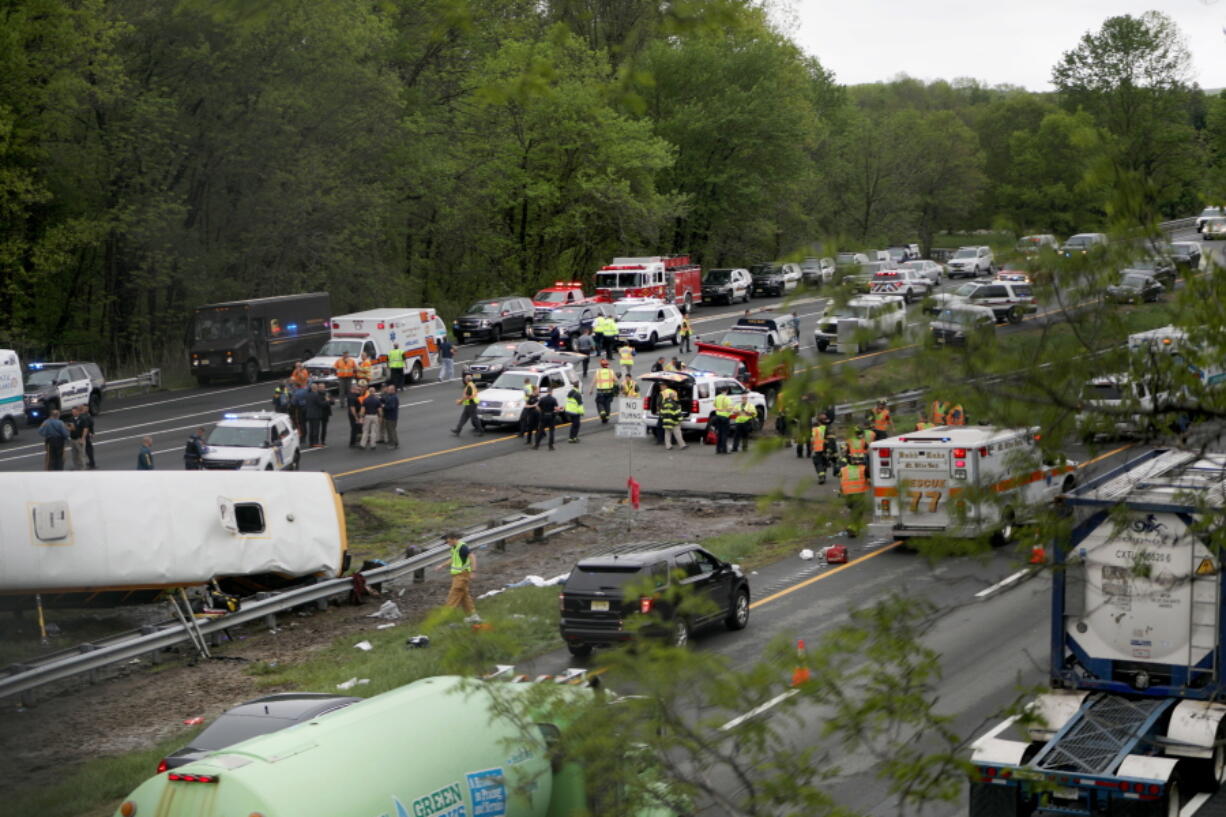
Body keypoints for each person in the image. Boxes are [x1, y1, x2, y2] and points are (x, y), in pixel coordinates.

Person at [435, 531, 479, 622]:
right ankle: (473, 615)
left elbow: (473, 557)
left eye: (447, 540)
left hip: (462, 575)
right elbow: (453, 558)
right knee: (464, 596)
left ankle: (443, 617)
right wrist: (442, 565)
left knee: (454, 593)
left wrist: (473, 571)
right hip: (457, 575)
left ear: (453, 538)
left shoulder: (462, 547)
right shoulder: (454, 548)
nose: (446, 542)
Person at [839, 460, 869, 537]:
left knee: (852, 510)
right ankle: (852, 528)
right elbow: (869, 477)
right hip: (858, 493)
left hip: (848, 493)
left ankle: (854, 527)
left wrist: (840, 491)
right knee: (857, 512)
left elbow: (840, 479)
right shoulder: (863, 468)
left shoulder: (844, 469)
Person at [590, 358, 618, 423]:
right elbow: (616, 380)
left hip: (600, 391)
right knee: (607, 404)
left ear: (601, 365)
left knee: (599, 402)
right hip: (609, 391)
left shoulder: (598, 372)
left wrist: (591, 389)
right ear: (607, 365)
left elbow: (593, 381)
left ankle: (602, 411)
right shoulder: (611, 371)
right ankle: (606, 417)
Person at [305, 382, 332, 447]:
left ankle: (311, 442)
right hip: (315, 414)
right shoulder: (316, 395)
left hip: (309, 413)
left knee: (311, 429)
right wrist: (327, 400)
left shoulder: (308, 395)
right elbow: (321, 404)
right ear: (316, 388)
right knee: (315, 429)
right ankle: (315, 442)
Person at [359, 385, 383, 450]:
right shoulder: (377, 400)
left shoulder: (365, 400)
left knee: (365, 431)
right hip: (375, 416)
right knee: (373, 431)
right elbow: (380, 410)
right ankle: (373, 445)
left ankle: (362, 444)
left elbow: (362, 410)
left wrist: (361, 417)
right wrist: (380, 417)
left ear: (369, 392)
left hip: (367, 416)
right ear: (374, 392)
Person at [67, 405, 88, 470]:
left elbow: (85, 429)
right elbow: (70, 428)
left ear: (78, 412)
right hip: (72, 439)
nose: (73, 413)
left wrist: (83, 438)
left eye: (75, 411)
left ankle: (83, 468)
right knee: (74, 455)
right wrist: (67, 428)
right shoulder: (71, 419)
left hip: (79, 439)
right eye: (72, 412)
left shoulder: (82, 419)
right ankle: (76, 467)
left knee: (81, 454)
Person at [811, 415, 831, 484]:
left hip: (817, 448)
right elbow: (831, 439)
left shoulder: (815, 429)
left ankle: (821, 476)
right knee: (824, 462)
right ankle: (823, 475)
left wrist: (811, 447)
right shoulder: (827, 428)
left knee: (818, 462)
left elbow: (812, 439)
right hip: (826, 448)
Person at [712, 386, 733, 454]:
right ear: (726, 390)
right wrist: (726, 410)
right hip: (725, 417)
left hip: (718, 417)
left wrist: (719, 409)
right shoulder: (727, 398)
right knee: (724, 434)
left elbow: (714, 405)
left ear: (721, 391)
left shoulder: (717, 397)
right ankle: (724, 449)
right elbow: (730, 409)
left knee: (719, 433)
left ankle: (718, 449)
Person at [380, 384, 400, 449]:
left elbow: (391, 407)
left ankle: (393, 444)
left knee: (391, 431)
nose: (387, 390)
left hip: (391, 417)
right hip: (389, 416)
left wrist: (384, 406)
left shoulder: (393, 397)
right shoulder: (390, 396)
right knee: (391, 430)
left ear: (392, 390)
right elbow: (385, 399)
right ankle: (394, 442)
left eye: (389, 389)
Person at [347, 382, 364, 447]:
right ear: (353, 389)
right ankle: (352, 443)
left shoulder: (354, 394)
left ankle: (356, 439)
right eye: (357, 389)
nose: (358, 390)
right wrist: (356, 417)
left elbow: (360, 395)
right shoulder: (352, 396)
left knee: (358, 427)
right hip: (354, 414)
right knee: (354, 428)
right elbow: (352, 407)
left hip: (356, 413)